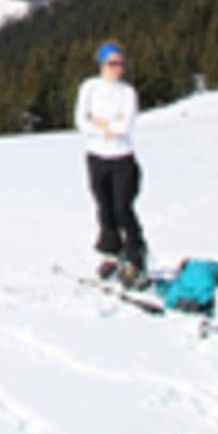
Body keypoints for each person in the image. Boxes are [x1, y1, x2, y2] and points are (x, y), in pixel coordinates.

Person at [75, 41, 149, 287]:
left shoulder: (127, 92)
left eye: (120, 63)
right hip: (96, 157)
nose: (118, 68)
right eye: (112, 63)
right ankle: (111, 252)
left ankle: (136, 254)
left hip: (122, 159)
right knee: (104, 208)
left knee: (123, 208)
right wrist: (106, 126)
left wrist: (101, 123)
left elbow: (125, 126)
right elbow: (80, 120)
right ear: (102, 65)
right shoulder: (90, 88)